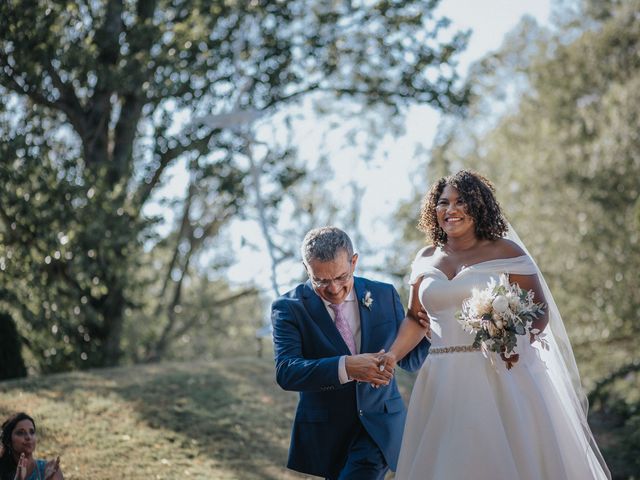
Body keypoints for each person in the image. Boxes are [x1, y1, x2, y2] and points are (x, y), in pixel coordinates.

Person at [379, 170, 611, 480]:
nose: (451, 210)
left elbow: (538, 312)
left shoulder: (506, 252)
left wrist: (510, 341)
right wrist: (392, 356)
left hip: (498, 374)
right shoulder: (425, 258)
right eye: (443, 202)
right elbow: (415, 319)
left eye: (461, 201)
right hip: (440, 377)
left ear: (479, 206)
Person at [271, 226, 430, 479]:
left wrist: (429, 332)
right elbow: (286, 371)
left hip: (380, 428)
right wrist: (346, 366)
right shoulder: (289, 308)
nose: (333, 289)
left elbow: (410, 360)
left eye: (341, 277)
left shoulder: (384, 294)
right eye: (321, 280)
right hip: (328, 434)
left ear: (354, 262)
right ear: (306, 267)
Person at [0, 412, 63, 480]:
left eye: (32, 432)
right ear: (8, 441)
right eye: (20, 433)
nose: (28, 437)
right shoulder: (2, 470)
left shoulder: (49, 469)